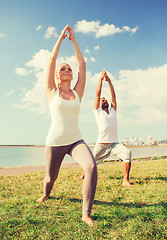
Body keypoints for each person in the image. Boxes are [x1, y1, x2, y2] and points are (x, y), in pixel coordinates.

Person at [37, 25, 97, 226]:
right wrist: (60, 39)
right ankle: (46, 194)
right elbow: (51, 60)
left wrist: (73, 40)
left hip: (75, 141)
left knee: (90, 166)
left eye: (69, 69)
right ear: (57, 75)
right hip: (54, 142)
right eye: (63, 69)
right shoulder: (51, 91)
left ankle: (85, 213)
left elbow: (82, 63)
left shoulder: (78, 92)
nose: (67, 70)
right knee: (50, 179)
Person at [81, 70, 132, 186]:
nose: (105, 101)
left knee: (127, 153)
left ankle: (125, 180)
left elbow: (113, 95)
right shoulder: (97, 111)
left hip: (114, 144)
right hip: (101, 144)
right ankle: (84, 175)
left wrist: (109, 81)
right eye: (102, 100)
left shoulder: (113, 110)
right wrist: (100, 80)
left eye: (105, 100)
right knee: (91, 162)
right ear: (99, 104)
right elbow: (97, 94)